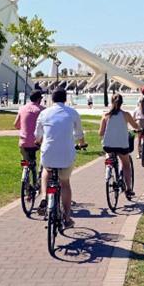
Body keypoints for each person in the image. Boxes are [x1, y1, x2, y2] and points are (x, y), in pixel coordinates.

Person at [35, 89, 86, 228]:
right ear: (65, 99)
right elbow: (79, 134)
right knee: (65, 183)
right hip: (66, 155)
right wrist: (82, 144)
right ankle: (67, 217)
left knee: (46, 170)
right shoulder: (72, 113)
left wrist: (38, 142)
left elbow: (38, 135)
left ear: (52, 99)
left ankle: (44, 197)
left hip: (48, 153)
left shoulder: (44, 113)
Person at [99, 94, 139, 199]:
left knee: (109, 158)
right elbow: (135, 126)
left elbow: (101, 133)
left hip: (108, 145)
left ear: (111, 102)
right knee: (126, 165)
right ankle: (129, 189)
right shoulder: (126, 115)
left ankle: (109, 171)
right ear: (122, 103)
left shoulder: (105, 115)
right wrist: (138, 128)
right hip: (122, 145)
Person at [14, 90, 45, 191]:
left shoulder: (22, 108)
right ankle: (39, 179)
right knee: (42, 158)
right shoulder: (41, 110)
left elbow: (16, 125)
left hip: (23, 142)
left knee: (25, 161)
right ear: (39, 99)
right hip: (36, 142)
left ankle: (26, 184)